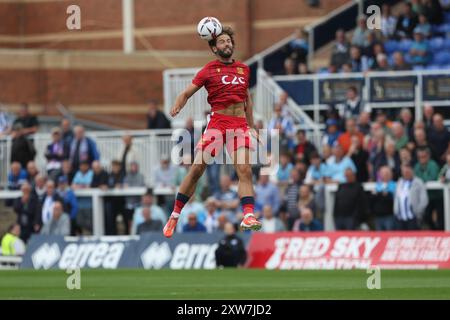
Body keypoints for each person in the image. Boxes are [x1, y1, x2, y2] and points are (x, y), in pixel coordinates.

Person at [163, 26, 262, 237]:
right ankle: (175, 214)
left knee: (244, 170)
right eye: (223, 42)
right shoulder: (208, 70)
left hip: (239, 125)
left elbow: (247, 99)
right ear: (214, 48)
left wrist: (251, 126)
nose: (227, 44)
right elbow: (186, 92)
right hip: (217, 124)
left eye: (229, 41)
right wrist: (178, 105)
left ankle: (248, 215)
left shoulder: (244, 69)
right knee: (197, 169)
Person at [394, 164, 428, 230]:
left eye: (408, 172)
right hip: (400, 217)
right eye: (404, 172)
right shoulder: (400, 182)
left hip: (412, 217)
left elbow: (424, 199)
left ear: (412, 171)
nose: (406, 174)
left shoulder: (418, 182)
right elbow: (396, 197)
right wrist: (396, 210)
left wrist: (418, 212)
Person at [371, 166, 396, 231]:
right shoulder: (377, 185)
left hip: (389, 216)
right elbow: (373, 198)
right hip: (378, 216)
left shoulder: (394, 185)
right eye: (382, 173)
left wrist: (381, 195)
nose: (384, 175)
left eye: (386, 173)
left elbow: (392, 199)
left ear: (390, 174)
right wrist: (382, 195)